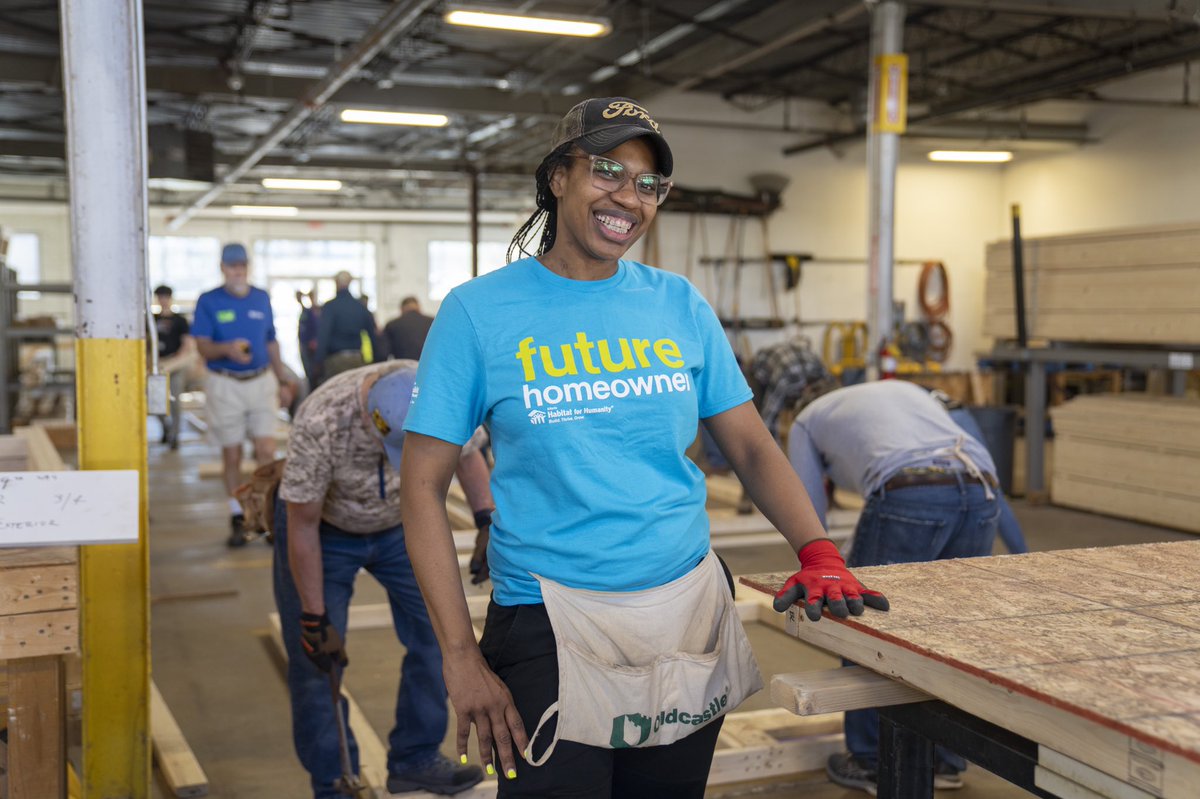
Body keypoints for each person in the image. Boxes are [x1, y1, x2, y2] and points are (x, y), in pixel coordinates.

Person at [399, 96, 888, 798]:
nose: (628, 197)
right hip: (550, 619)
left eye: (649, 183)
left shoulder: (678, 302)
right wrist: (459, 656)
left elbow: (749, 445)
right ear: (558, 178)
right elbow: (420, 486)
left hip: (686, 608)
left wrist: (818, 549)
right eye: (607, 170)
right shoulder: (479, 312)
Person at [273, 360, 489, 798]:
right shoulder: (321, 420)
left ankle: (415, 758)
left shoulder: (438, 387)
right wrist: (314, 616)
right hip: (327, 532)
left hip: (400, 525)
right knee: (318, 660)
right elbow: (302, 525)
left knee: (440, 637)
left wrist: (486, 519)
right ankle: (334, 780)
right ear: (371, 425)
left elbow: (467, 456)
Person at [786, 379, 1008, 794]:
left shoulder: (805, 422)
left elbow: (807, 509)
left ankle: (871, 761)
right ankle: (946, 760)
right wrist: (1019, 551)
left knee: (864, 620)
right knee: (950, 630)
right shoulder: (907, 393)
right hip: (983, 490)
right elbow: (984, 474)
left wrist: (828, 567)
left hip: (909, 490)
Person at [192, 243, 296, 547]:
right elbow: (202, 346)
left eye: (242, 266)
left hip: (260, 381)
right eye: (232, 266)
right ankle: (239, 516)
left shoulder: (261, 298)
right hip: (225, 384)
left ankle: (266, 516)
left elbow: (271, 341)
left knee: (266, 450)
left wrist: (283, 379)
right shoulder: (209, 301)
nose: (238, 271)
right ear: (222, 268)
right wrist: (226, 349)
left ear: (248, 267)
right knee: (232, 454)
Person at [315, 271, 378, 383]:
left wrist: (318, 361)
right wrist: (376, 361)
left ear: (336, 283)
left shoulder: (330, 307)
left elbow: (324, 335)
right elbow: (373, 335)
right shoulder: (360, 307)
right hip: (357, 360)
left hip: (336, 362)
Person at [153, 284, 195, 449]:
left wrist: (177, 360)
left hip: (175, 363)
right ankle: (166, 427)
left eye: (165, 297)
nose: (163, 301)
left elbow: (187, 342)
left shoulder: (180, 320)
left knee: (175, 401)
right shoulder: (152, 319)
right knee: (156, 401)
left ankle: (175, 435)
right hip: (158, 364)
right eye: (160, 297)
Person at [381, 296, 434, 361]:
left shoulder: (392, 324)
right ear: (419, 307)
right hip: (426, 367)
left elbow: (383, 353)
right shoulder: (432, 322)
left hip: (402, 367)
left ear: (401, 309)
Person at [297, 289, 321, 391]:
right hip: (305, 346)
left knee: (314, 374)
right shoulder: (305, 311)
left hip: (313, 348)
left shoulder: (318, 311)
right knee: (309, 373)